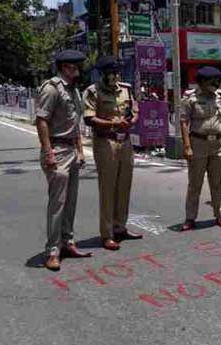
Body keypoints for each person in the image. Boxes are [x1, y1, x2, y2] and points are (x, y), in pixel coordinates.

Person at [35, 50, 92, 271]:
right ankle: (52, 251)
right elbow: (41, 121)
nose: (78, 70)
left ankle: (67, 242)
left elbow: (73, 122)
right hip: (57, 150)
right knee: (57, 204)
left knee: (70, 202)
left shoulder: (72, 90)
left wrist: (80, 150)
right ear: (66, 67)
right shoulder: (51, 88)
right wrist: (48, 153)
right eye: (75, 66)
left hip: (70, 149)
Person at [83, 56, 143, 251]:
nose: (114, 76)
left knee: (124, 186)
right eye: (110, 73)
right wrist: (114, 123)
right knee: (108, 189)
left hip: (124, 141)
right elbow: (89, 119)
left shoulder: (125, 89)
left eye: (116, 72)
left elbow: (134, 110)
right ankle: (107, 234)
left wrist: (132, 119)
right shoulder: (93, 92)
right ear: (102, 74)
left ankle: (120, 227)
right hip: (105, 141)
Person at [180, 67, 221, 231]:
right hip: (198, 144)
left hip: (218, 144)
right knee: (195, 184)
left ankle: (219, 215)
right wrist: (187, 146)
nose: (215, 84)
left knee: (216, 183)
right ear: (202, 82)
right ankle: (190, 218)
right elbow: (184, 122)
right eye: (212, 82)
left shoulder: (219, 96)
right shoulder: (191, 98)